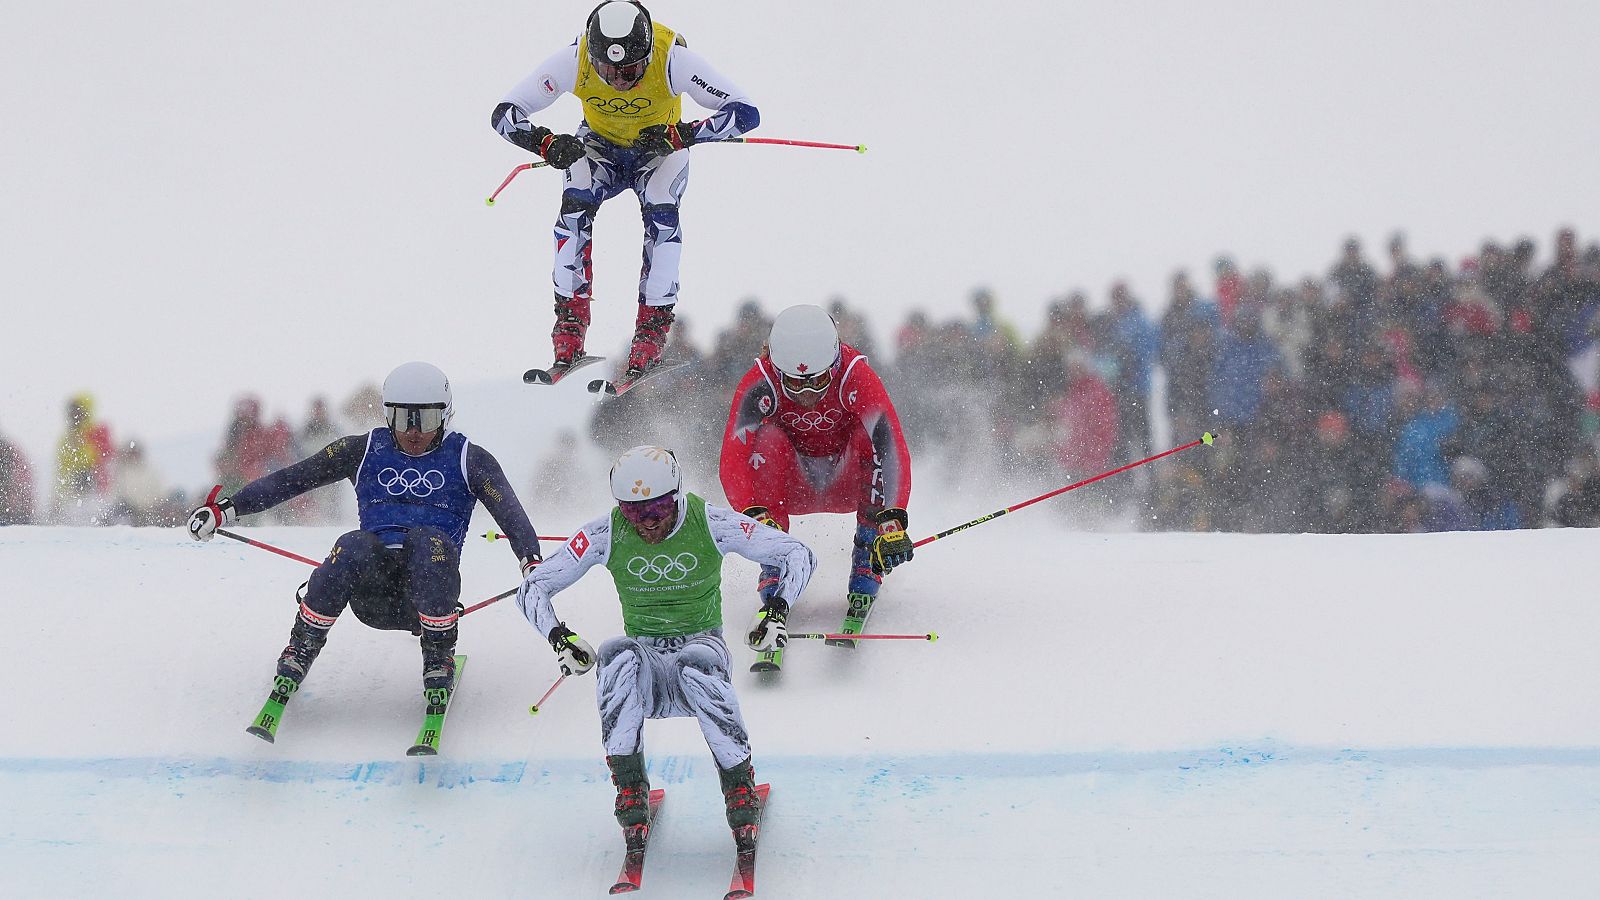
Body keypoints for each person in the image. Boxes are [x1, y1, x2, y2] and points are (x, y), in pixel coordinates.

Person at [185, 362, 545, 717]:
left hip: (428, 594)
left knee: (426, 540)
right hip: (373, 594)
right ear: (388, 415)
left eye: (427, 420)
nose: (414, 432)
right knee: (353, 543)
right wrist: (226, 509)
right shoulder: (363, 449)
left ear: (446, 416)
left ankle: (438, 656)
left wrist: (530, 559)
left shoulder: (469, 459)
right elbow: (293, 479)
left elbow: (509, 511)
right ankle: (301, 647)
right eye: (404, 419)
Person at [515, 445, 814, 851]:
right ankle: (630, 790)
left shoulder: (711, 522)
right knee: (614, 654)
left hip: (703, 650)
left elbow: (796, 553)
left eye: (656, 509)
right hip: (647, 668)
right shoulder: (606, 531)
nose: (646, 523)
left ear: (676, 495)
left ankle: (738, 788)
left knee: (695, 663)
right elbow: (533, 586)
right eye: (634, 512)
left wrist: (776, 611)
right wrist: (558, 637)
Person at [492, 0, 761, 379]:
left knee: (662, 215)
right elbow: (504, 114)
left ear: (647, 54)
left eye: (630, 70)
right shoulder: (575, 60)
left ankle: (651, 331)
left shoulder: (673, 60)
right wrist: (545, 142)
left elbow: (746, 111)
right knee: (574, 209)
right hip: (599, 148)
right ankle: (570, 325)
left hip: (658, 150)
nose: (618, 80)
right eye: (607, 71)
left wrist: (684, 134)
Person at [719, 304, 914, 651]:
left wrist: (894, 518)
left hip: (846, 480)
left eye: (819, 381)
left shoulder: (855, 375)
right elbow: (732, 459)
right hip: (790, 487)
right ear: (778, 369)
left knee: (867, 436)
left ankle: (867, 558)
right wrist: (753, 515)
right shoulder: (759, 382)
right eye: (794, 383)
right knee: (768, 440)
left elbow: (892, 446)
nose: (807, 393)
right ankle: (776, 562)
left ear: (835, 362)